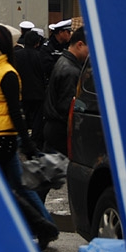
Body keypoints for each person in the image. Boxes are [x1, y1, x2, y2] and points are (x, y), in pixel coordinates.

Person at [0, 23, 59, 249]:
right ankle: (45, 227)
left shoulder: (7, 73)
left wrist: (27, 144)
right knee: (19, 187)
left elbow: (15, 112)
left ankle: (12, 230)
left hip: (2, 140)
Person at [43, 25, 89, 157]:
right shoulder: (71, 70)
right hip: (60, 129)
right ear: (80, 45)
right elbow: (67, 106)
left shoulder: (64, 61)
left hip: (53, 127)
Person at [14, 29, 46, 149]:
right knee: (37, 120)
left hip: (22, 92)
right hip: (38, 93)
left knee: (24, 118)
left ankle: (24, 141)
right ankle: (35, 142)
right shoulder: (39, 56)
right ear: (37, 43)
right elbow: (43, 74)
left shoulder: (17, 55)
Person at [40, 18, 73, 84]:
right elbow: (48, 68)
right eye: (68, 32)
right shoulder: (47, 47)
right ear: (60, 32)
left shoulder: (70, 45)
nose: (70, 34)